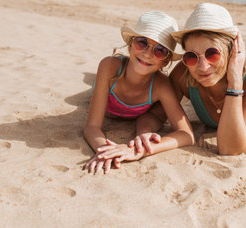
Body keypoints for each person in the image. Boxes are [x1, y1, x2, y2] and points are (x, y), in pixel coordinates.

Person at [133, 3, 246, 155]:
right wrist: (144, 134)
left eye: (212, 54)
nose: (202, 67)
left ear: (230, 51)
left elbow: (230, 149)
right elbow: (156, 114)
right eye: (191, 56)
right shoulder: (184, 73)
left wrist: (236, 80)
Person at [83, 11, 195, 174]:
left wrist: (140, 150)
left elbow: (187, 135)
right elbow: (91, 127)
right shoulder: (109, 67)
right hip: (106, 90)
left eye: (159, 50)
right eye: (142, 43)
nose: (147, 53)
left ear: (165, 61)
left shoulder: (161, 85)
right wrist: (106, 152)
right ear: (129, 45)